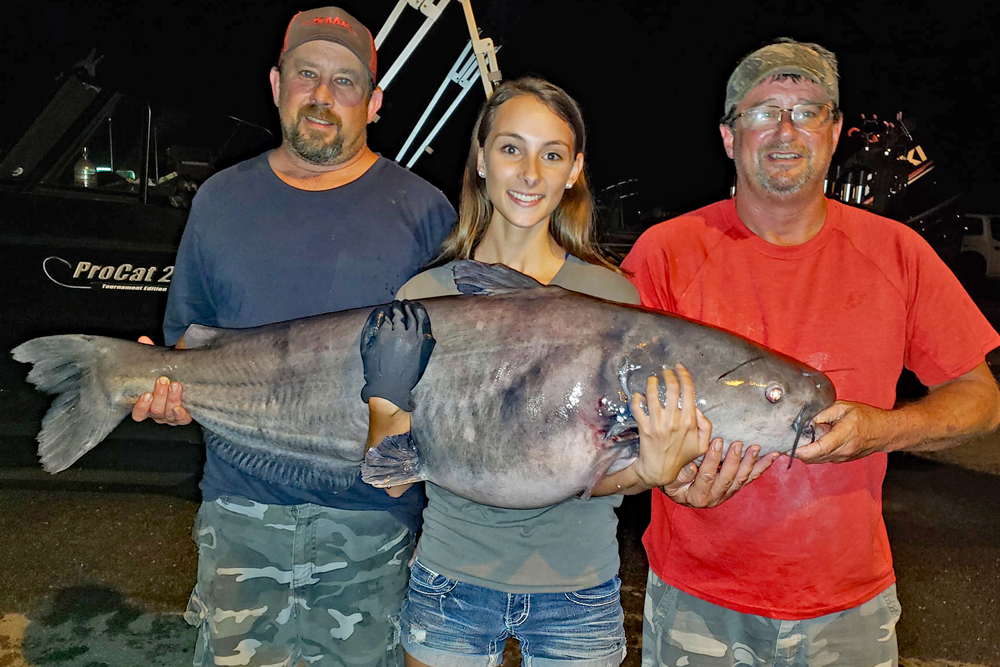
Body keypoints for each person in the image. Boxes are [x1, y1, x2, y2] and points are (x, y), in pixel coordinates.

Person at [359, 77, 766, 667]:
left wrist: (655, 470)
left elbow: (622, 462)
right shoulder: (424, 298)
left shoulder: (613, 299)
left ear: (573, 170)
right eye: (510, 149)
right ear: (480, 159)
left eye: (551, 155)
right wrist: (383, 399)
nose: (530, 173)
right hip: (451, 578)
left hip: (577, 588)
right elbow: (393, 476)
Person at [622, 38, 1000, 666]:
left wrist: (883, 428)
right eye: (764, 111)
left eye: (807, 110)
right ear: (728, 135)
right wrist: (667, 474)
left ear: (834, 133)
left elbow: (981, 400)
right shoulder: (665, 254)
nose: (785, 131)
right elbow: (604, 407)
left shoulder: (898, 254)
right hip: (698, 602)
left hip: (848, 610)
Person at [131, 7, 456, 667]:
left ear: (374, 103)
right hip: (241, 517)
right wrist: (164, 389)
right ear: (277, 83)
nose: (323, 96)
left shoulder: (426, 212)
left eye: (345, 82)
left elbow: (450, 374)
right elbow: (187, 350)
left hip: (372, 524)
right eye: (308, 74)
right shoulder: (220, 201)